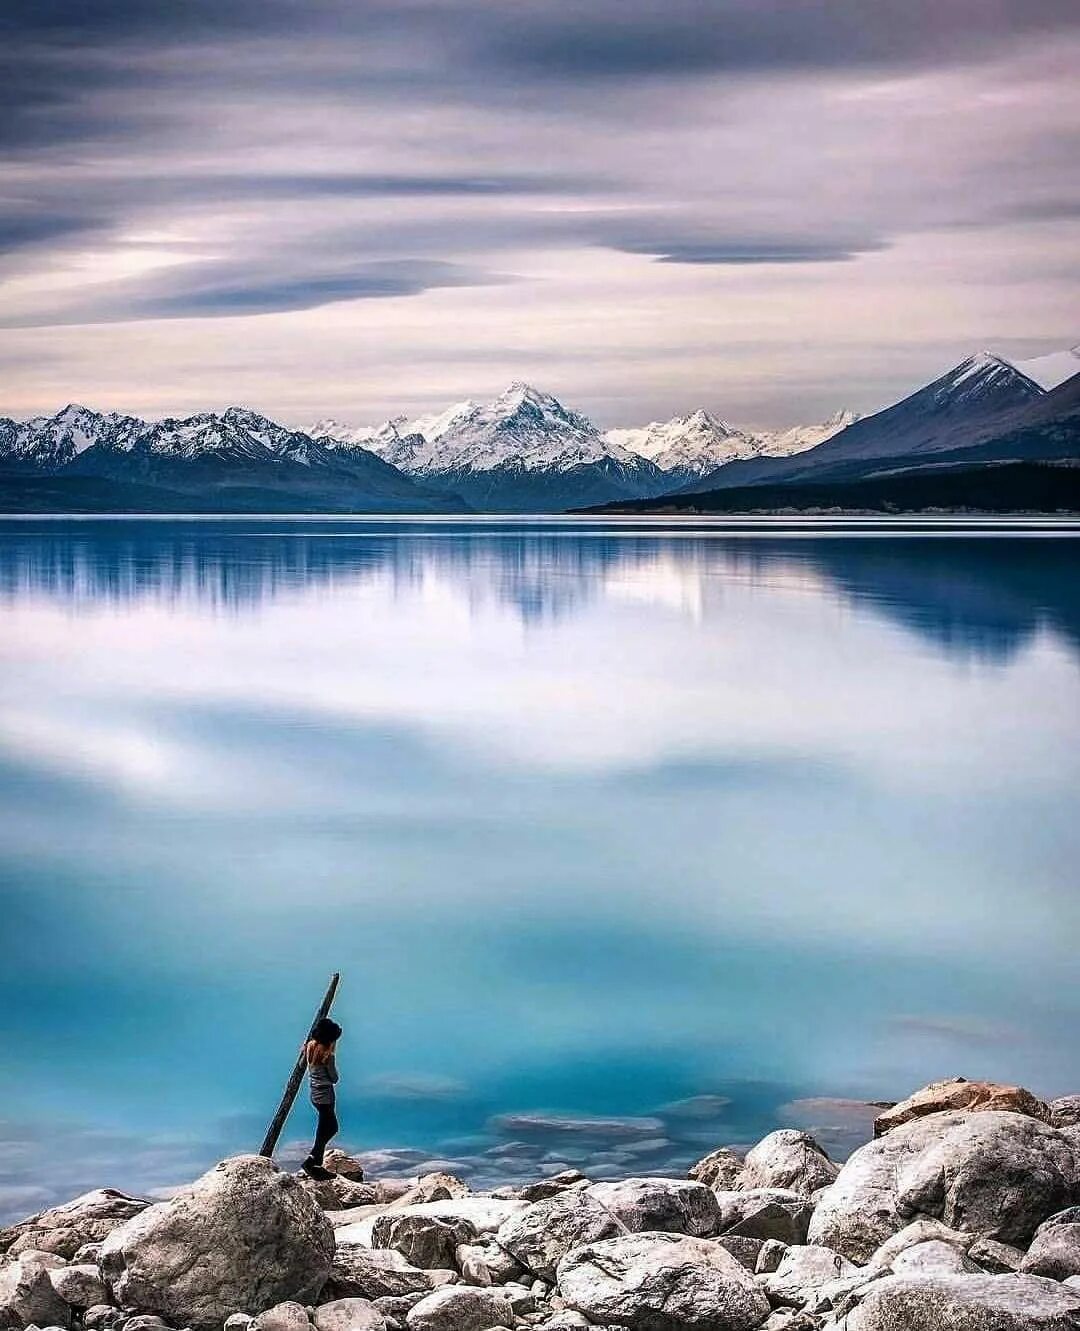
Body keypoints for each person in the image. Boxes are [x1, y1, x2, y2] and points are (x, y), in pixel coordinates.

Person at [302, 1016, 342, 1179]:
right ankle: (313, 1162)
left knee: (324, 1128)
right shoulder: (328, 1056)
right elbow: (334, 1078)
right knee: (330, 1128)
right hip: (326, 1095)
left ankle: (315, 1161)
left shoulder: (310, 1047)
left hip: (315, 1094)